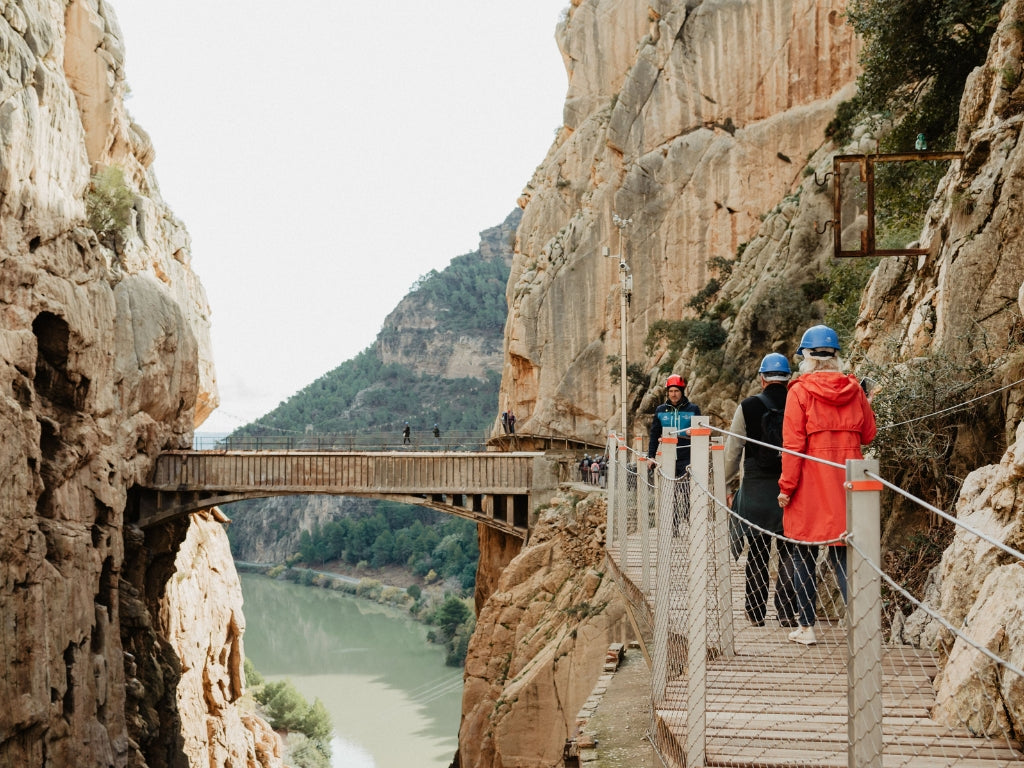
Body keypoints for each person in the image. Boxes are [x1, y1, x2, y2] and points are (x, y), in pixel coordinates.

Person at [777, 325, 877, 646]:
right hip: (846, 484)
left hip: (809, 484)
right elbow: (868, 435)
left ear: (807, 357)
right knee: (843, 557)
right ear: (835, 357)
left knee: (803, 554)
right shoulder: (854, 389)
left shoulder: (799, 392)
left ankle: (806, 628)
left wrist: (786, 487)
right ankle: (860, 628)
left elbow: (792, 446)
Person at [724, 353, 797, 628]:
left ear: (762, 378)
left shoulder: (748, 406)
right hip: (789, 488)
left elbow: (732, 453)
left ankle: (755, 613)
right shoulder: (798, 402)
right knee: (790, 550)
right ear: (788, 378)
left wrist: (725, 484)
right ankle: (787, 612)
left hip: (755, 489)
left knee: (757, 551)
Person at [647, 374, 701, 535]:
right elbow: (654, 433)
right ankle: (674, 526)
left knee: (687, 492)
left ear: (682, 391)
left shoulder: (693, 409)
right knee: (671, 494)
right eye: (671, 391)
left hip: (688, 456)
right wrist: (651, 456)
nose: (673, 394)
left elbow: (702, 432)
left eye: (676, 390)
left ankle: (693, 524)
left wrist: (694, 433)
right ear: (667, 393)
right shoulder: (660, 410)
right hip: (668, 457)